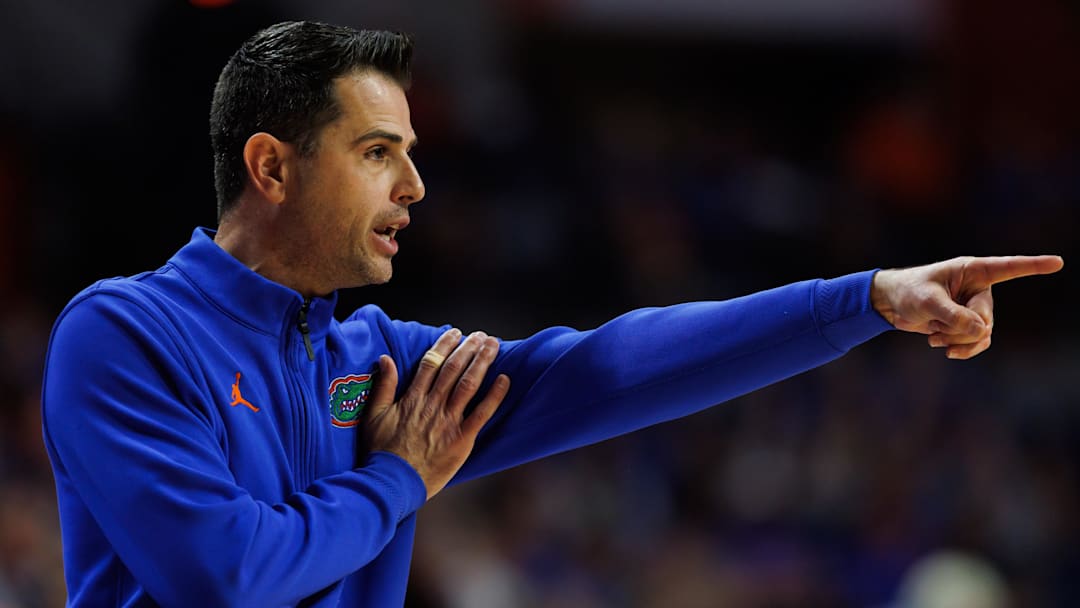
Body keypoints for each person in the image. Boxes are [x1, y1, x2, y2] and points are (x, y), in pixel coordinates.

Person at [40, 20, 1063, 608]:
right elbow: (223, 575)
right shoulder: (122, 334)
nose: (415, 186)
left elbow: (611, 368)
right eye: (376, 153)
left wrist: (866, 298)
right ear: (271, 166)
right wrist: (399, 476)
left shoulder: (375, 359)